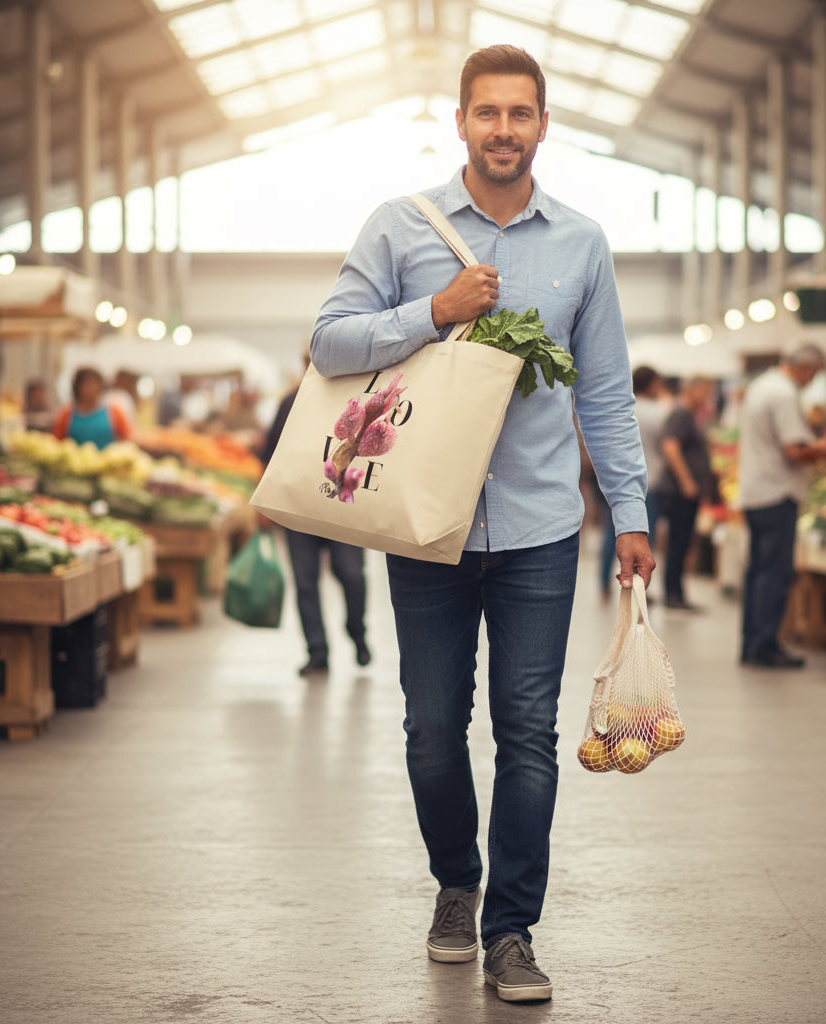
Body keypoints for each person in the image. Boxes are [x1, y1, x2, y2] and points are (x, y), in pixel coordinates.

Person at [309, 44, 654, 1004]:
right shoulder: (398, 228)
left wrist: (629, 509)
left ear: (544, 125)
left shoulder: (582, 243)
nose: (504, 130)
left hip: (543, 523)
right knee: (430, 729)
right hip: (427, 525)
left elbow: (609, 394)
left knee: (530, 734)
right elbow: (329, 340)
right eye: (488, 113)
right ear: (460, 122)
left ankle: (510, 928)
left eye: (521, 114)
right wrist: (432, 310)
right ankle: (455, 883)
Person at [260, 360, 370, 675]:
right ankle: (317, 651)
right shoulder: (289, 402)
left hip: (343, 504)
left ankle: (357, 631)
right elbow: (270, 456)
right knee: (306, 582)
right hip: (300, 508)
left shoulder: (353, 402)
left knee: (351, 574)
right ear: (306, 363)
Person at [738, 345, 826, 669]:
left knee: (757, 572)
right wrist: (824, 450)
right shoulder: (784, 394)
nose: (813, 380)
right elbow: (794, 449)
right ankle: (765, 644)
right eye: (815, 373)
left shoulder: (762, 386)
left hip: (754, 491)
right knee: (774, 573)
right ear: (806, 368)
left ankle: (752, 643)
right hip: (777, 493)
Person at [656, 375, 717, 611]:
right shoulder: (681, 414)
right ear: (693, 389)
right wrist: (687, 481)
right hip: (679, 491)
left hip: (683, 491)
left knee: (681, 543)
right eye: (705, 391)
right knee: (678, 543)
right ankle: (673, 595)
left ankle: (676, 593)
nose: (707, 398)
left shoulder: (689, 415)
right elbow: (670, 446)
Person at [633, 365, 674, 547]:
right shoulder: (660, 411)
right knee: (645, 531)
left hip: (623, 476)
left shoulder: (626, 407)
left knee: (613, 530)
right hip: (651, 478)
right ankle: (639, 574)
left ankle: (603, 575)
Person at [53, 366, 133, 448]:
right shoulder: (67, 413)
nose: (90, 389)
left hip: (106, 460)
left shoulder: (113, 411)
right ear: (77, 387)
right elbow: (56, 441)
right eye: (85, 384)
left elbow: (128, 437)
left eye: (94, 384)